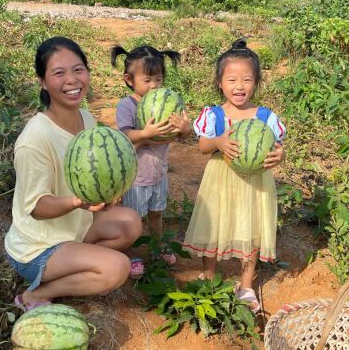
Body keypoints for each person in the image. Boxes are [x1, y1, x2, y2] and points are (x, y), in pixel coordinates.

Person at [4, 37, 142, 311]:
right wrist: (79, 201)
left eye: (78, 70)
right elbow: (37, 207)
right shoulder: (35, 139)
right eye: (59, 73)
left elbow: (98, 172)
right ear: (43, 82)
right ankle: (37, 294)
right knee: (117, 268)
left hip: (71, 228)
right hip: (37, 248)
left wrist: (108, 194)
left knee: (131, 223)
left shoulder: (86, 119)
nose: (72, 80)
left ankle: (82, 261)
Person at [182, 39, 286, 313]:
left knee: (251, 231)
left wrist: (280, 156)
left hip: (255, 184)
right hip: (220, 180)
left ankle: (247, 284)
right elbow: (203, 147)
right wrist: (218, 142)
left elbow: (278, 147)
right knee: (214, 227)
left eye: (247, 79)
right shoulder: (214, 114)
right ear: (219, 82)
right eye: (232, 79)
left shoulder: (265, 117)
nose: (239, 86)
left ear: (257, 82)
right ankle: (210, 274)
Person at [111, 45, 191, 277]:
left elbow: (182, 135)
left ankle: (158, 248)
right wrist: (145, 133)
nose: (155, 86)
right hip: (136, 178)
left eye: (159, 79)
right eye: (147, 80)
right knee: (135, 220)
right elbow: (125, 136)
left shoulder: (169, 101)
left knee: (156, 214)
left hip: (158, 172)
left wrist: (184, 129)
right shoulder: (127, 106)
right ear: (129, 79)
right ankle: (134, 254)